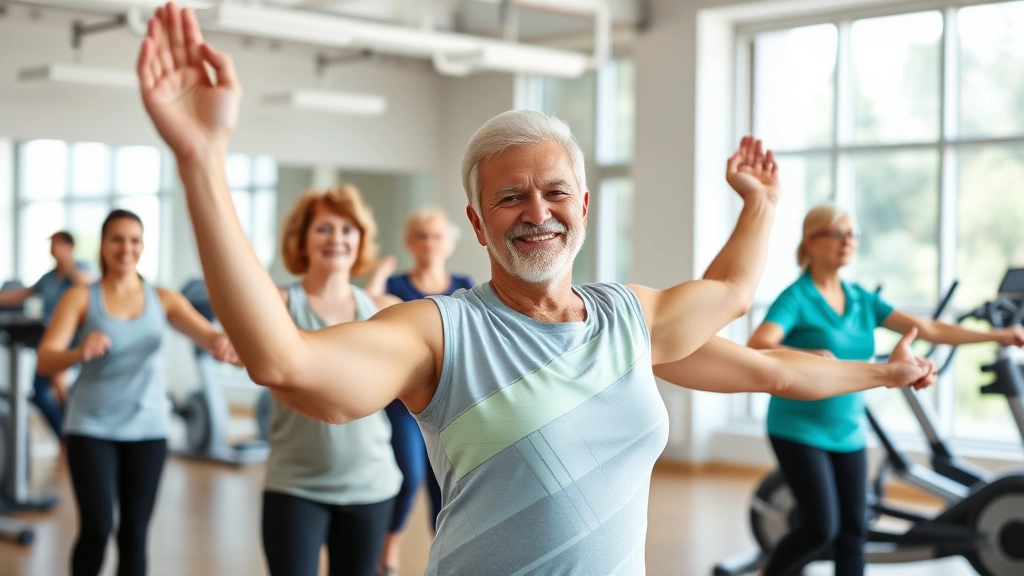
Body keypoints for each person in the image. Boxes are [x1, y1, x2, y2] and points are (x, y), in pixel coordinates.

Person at [134, 6, 935, 573]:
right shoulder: (436, 334)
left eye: (554, 192)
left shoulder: (631, 321)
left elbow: (755, 334)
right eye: (509, 199)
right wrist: (202, 160)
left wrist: (879, 368)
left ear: (583, 208)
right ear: (478, 226)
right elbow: (284, 362)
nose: (536, 214)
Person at [745, 204, 1024, 576]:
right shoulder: (796, 297)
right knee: (819, 529)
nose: (848, 241)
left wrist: (997, 335)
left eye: (853, 234)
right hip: (798, 428)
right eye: (837, 233)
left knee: (855, 530)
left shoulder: (861, 299)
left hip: (848, 430)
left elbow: (930, 329)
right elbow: (758, 346)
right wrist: (809, 354)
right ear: (810, 242)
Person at [36, 209, 238, 576]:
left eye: (134, 240)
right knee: (97, 528)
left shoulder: (164, 298)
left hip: (148, 427)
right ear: (103, 244)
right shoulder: (81, 298)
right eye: (117, 239)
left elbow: (210, 337)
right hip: (91, 425)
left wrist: (229, 345)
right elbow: (45, 361)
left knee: (135, 534)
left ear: (143, 246)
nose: (126, 248)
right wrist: (77, 352)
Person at [262, 185, 403, 576]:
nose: (337, 239)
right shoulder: (276, 305)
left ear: (360, 241)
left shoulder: (383, 309)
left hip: (371, 485)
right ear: (302, 240)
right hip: (294, 485)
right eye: (324, 228)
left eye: (347, 229)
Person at [365, 207, 474, 576]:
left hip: (450, 403)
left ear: (449, 243)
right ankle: (387, 555)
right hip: (404, 403)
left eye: (437, 236)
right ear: (411, 242)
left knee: (443, 485)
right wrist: (379, 274)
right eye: (422, 236)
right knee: (409, 476)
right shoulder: (394, 286)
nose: (430, 244)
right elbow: (366, 316)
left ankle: (443, 556)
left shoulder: (463, 284)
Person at [0, 231, 94, 438]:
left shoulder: (82, 270)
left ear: (69, 247)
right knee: (39, 392)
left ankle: (75, 431)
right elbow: (21, 295)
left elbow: (91, 287)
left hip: (75, 336)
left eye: (57, 244)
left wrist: (68, 264)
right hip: (51, 336)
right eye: (51, 245)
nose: (52, 249)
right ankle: (65, 435)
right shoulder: (48, 277)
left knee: (58, 381)